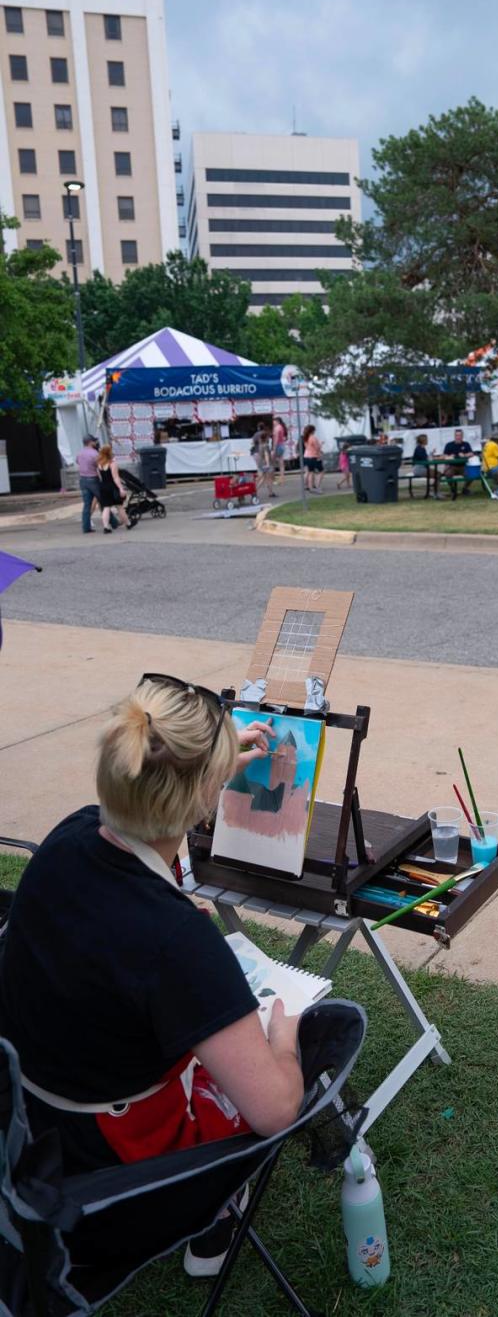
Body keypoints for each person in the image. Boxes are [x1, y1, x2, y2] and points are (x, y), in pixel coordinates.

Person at [0, 677, 301, 1276]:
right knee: (271, 1068)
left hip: (25, 1114)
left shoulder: (70, 835)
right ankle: (210, 1219)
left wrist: (201, 769)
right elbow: (275, 1110)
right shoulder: (177, 943)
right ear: (206, 799)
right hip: (104, 1161)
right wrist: (286, 1038)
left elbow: (118, 907)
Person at [96, 444, 135, 532]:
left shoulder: (99, 464)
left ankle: (106, 527)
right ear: (109, 453)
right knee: (119, 507)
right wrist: (121, 488)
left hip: (103, 487)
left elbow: (100, 477)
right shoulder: (112, 463)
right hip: (112, 487)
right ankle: (128, 524)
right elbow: (116, 478)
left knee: (106, 507)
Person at [76, 434, 102, 535]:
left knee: (87, 504)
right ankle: (112, 522)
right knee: (103, 501)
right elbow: (99, 465)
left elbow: (78, 462)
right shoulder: (94, 453)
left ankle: (86, 527)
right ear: (90, 442)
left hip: (83, 480)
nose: (95, 443)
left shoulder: (80, 453)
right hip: (93, 479)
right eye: (94, 441)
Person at [252, 421, 275, 499]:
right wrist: (268, 464)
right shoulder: (265, 446)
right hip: (266, 464)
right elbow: (266, 455)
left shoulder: (260, 445)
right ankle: (269, 492)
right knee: (268, 478)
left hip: (261, 462)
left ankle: (256, 490)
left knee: (263, 478)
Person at [300, 425, 323, 493]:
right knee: (321, 471)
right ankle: (315, 486)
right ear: (312, 431)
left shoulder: (305, 438)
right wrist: (321, 444)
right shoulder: (313, 438)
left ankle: (308, 486)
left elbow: (308, 447)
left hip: (306, 456)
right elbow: (317, 448)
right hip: (313, 456)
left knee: (309, 472)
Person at [272, 417, 288, 485]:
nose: (273, 422)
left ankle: (273, 479)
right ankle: (282, 479)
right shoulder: (282, 427)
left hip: (277, 446)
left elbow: (276, 439)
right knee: (281, 464)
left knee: (271, 463)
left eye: (274, 421)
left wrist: (274, 448)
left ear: (277, 421)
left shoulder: (276, 428)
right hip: (282, 445)